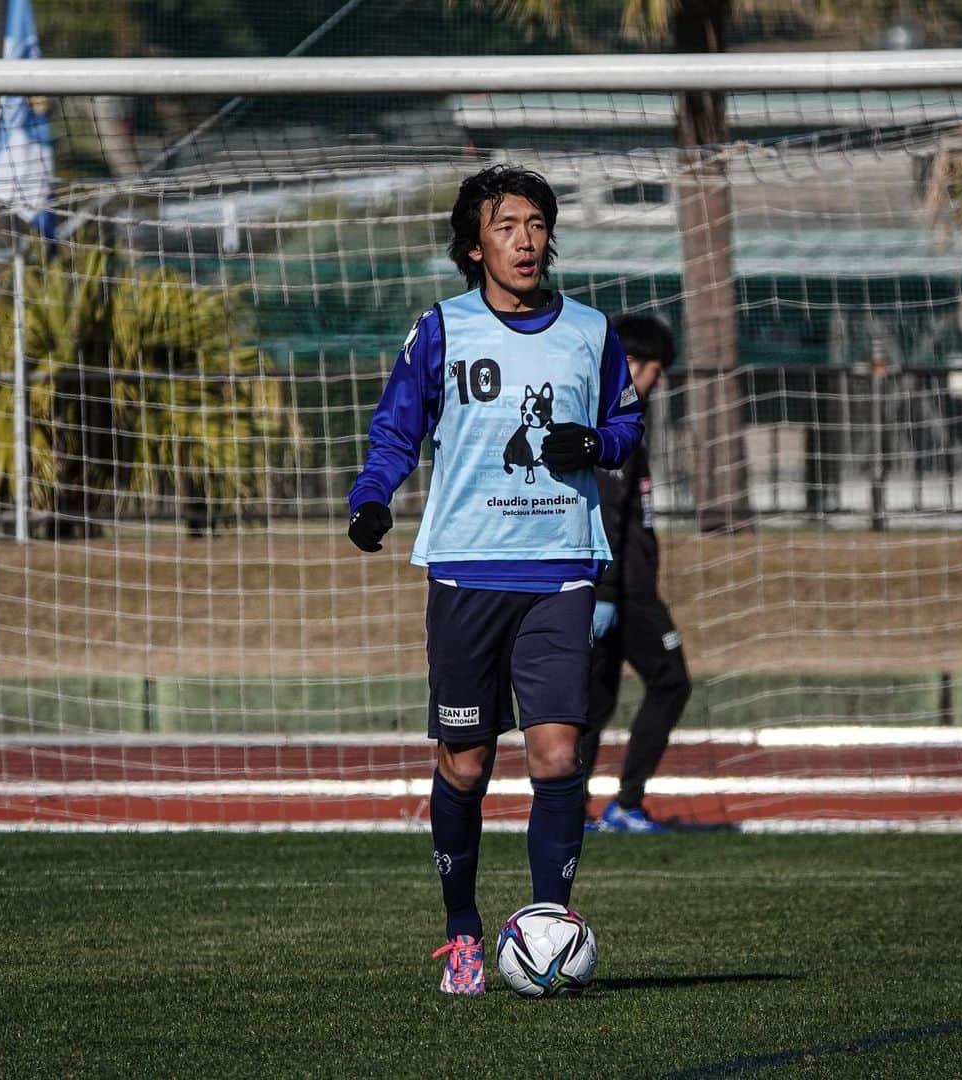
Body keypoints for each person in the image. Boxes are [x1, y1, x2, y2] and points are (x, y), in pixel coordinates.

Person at [346, 165, 642, 994]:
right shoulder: (442, 329)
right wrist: (372, 502)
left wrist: (601, 445)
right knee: (468, 763)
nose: (525, 239)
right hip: (467, 569)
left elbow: (626, 417)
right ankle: (464, 932)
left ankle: (549, 927)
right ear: (474, 245)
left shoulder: (590, 329)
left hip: (559, 572)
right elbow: (396, 431)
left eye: (537, 224)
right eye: (507, 225)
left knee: (556, 753)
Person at [579, 313, 692, 834]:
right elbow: (605, 514)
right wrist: (604, 592)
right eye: (655, 368)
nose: (659, 380)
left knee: (596, 702)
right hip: (621, 593)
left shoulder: (627, 421)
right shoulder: (612, 427)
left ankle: (580, 808)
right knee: (670, 682)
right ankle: (622, 803)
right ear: (629, 364)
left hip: (622, 590)